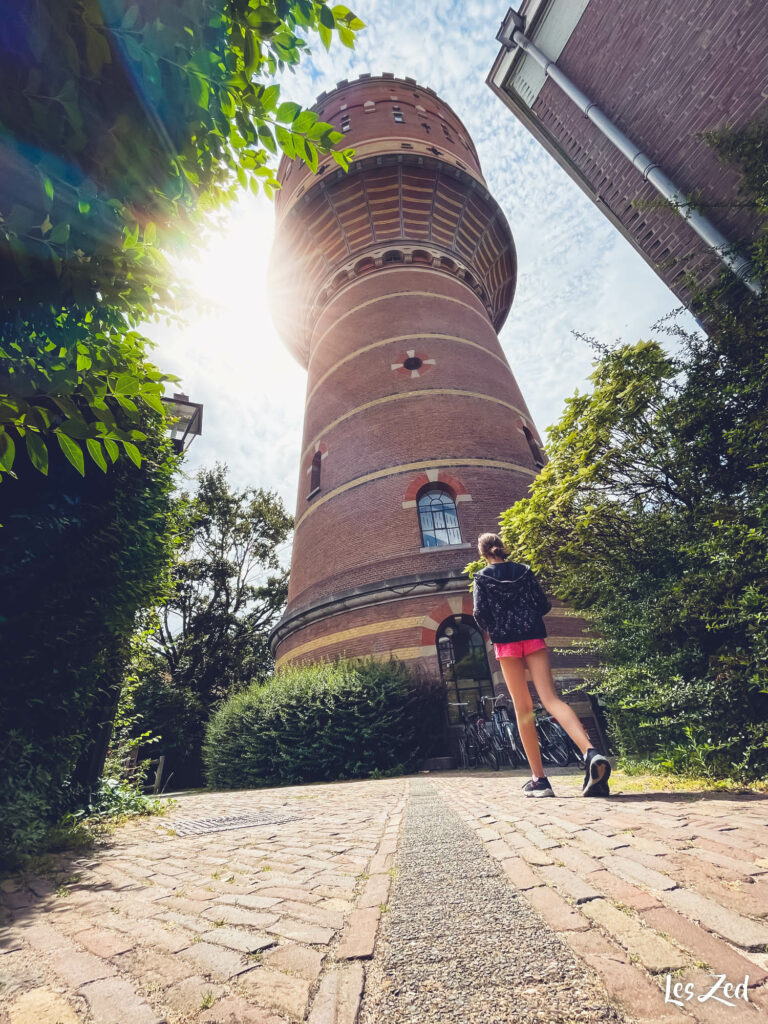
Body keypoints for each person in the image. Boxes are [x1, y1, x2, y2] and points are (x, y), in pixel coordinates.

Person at [472, 532, 610, 798]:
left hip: (506, 643)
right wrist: (526, 617)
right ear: (502, 547)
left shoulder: (481, 579)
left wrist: (499, 623)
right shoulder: (525, 571)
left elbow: (480, 615)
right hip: (533, 637)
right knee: (550, 699)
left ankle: (540, 780)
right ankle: (590, 752)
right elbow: (543, 604)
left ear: (482, 552)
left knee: (523, 708)